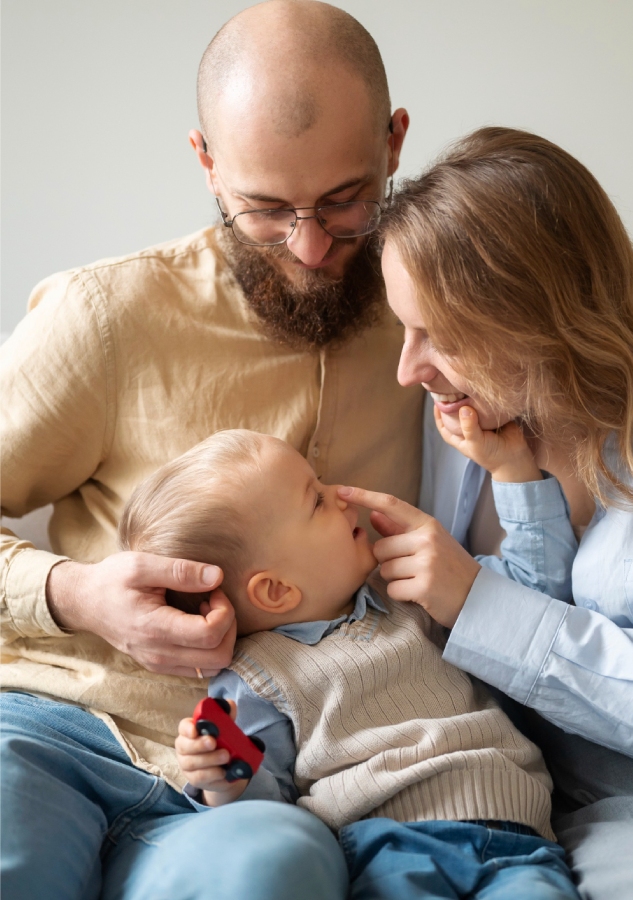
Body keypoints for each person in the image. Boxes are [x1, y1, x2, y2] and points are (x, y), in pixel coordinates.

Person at [0, 3, 424, 898]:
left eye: (345, 200)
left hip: (251, 789)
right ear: (206, 163)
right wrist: (70, 593)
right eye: (265, 209)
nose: (310, 247)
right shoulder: (104, 318)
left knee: (280, 868)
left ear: (393, 145)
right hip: (50, 730)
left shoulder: (437, 324)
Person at [339, 126, 633, 899]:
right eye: (406, 329)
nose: (408, 370)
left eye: (438, 336)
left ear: (529, 320)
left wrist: (481, 605)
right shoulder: (478, 421)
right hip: (580, 810)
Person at [119, 427, 581, 900]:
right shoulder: (256, 679)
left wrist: (514, 472)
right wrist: (221, 778)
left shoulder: (412, 586)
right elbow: (266, 813)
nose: (340, 494)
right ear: (276, 590)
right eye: (316, 500)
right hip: (390, 849)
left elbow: (530, 602)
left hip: (523, 839)